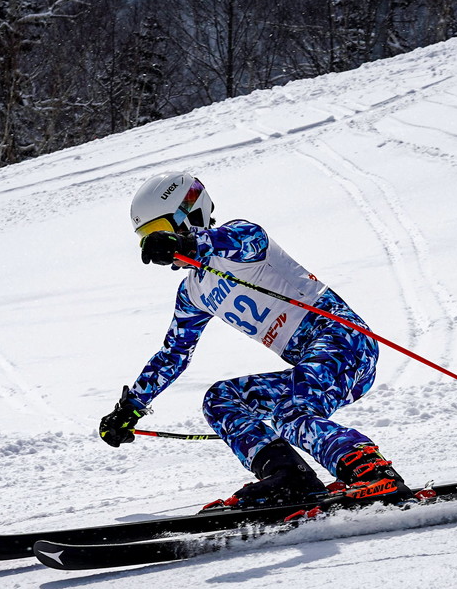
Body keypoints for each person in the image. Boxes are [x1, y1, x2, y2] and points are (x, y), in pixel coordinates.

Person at [98, 172, 414, 511]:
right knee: (221, 399)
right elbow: (174, 352)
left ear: (186, 214)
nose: (153, 242)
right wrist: (130, 408)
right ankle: (289, 479)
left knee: (292, 409)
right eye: (146, 236)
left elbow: (249, 239)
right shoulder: (193, 291)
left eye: (158, 230)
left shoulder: (238, 239)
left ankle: (369, 469)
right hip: (309, 364)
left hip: (342, 340)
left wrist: (187, 243)